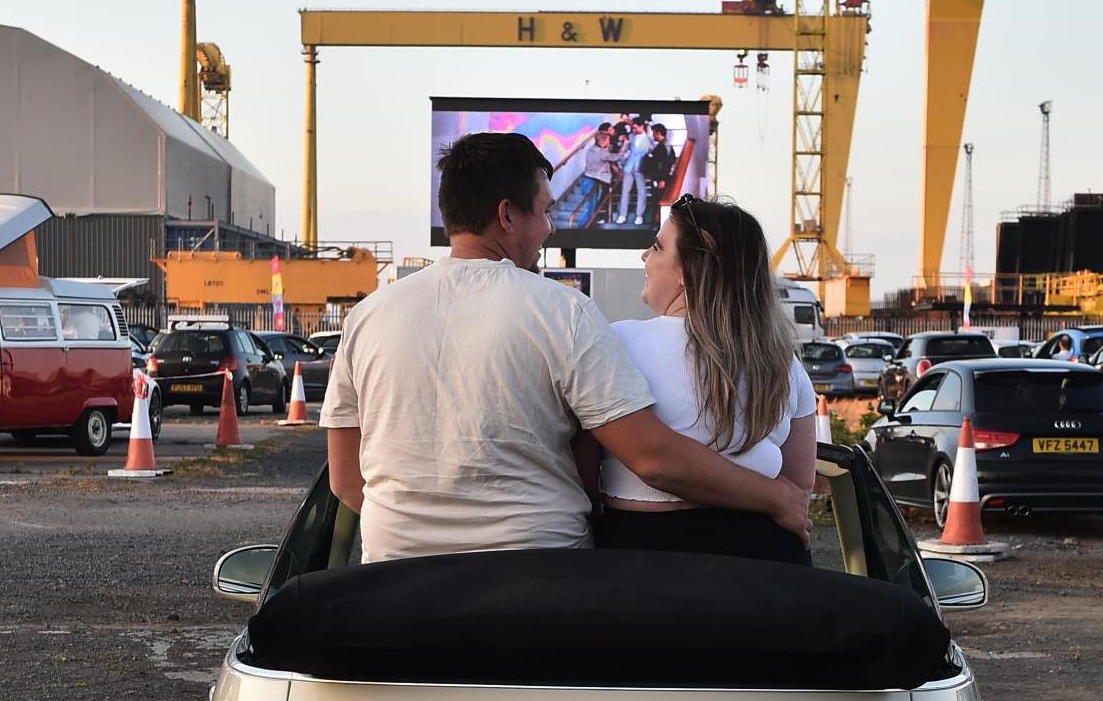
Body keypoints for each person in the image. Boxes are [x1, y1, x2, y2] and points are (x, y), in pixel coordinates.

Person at [321, 133, 810, 562]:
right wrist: (776, 497)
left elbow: (345, 480)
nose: (552, 228)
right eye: (547, 211)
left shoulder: (367, 317)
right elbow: (649, 458)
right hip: (539, 581)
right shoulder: (563, 312)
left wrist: (424, 532)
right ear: (506, 216)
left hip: (397, 575)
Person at [594, 195, 815, 565]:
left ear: (686, 271)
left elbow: (584, 471)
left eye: (657, 247)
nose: (644, 257)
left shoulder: (618, 342)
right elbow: (799, 485)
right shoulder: (781, 362)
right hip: (766, 562)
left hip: (643, 559)